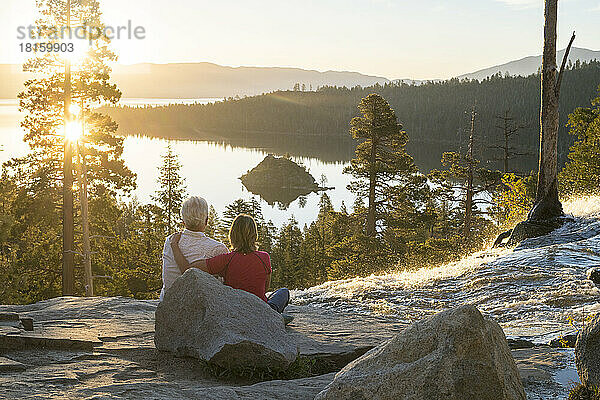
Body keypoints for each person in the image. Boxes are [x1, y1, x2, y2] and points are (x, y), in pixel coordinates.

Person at [170, 214, 292, 318]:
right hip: (262, 311)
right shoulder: (264, 257)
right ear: (254, 236)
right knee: (283, 292)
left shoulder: (226, 260)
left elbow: (188, 269)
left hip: (235, 312)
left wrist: (175, 245)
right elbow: (265, 288)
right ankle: (275, 316)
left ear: (232, 235)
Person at [159, 196, 228, 302]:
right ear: (206, 220)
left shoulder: (171, 240)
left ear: (183, 220)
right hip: (197, 307)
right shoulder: (218, 249)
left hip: (167, 302)